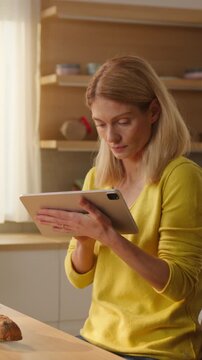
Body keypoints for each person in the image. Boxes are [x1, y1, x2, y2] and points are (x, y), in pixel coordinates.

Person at [36, 56, 202, 360]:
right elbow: (79, 278)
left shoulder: (180, 176)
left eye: (123, 122)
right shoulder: (98, 178)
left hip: (159, 349)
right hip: (96, 338)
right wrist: (85, 239)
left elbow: (182, 286)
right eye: (101, 124)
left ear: (153, 111)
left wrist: (110, 237)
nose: (111, 137)